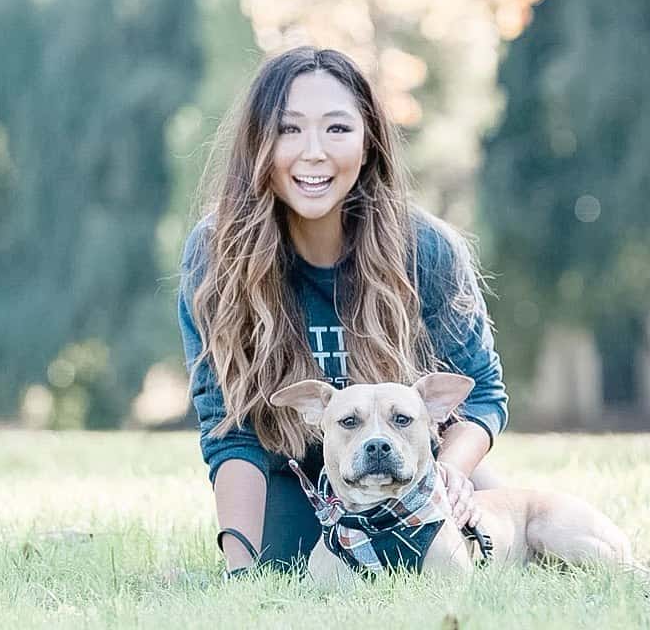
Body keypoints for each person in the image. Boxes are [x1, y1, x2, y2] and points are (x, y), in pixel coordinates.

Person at [178, 46, 508, 576]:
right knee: (283, 567)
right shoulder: (217, 253)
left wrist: (448, 476)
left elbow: (482, 391)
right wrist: (238, 571)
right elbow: (229, 427)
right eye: (289, 129)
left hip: (412, 467)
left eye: (337, 129)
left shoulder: (426, 248)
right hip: (292, 471)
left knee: (464, 553)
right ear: (258, 142)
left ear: (368, 141)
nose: (314, 153)